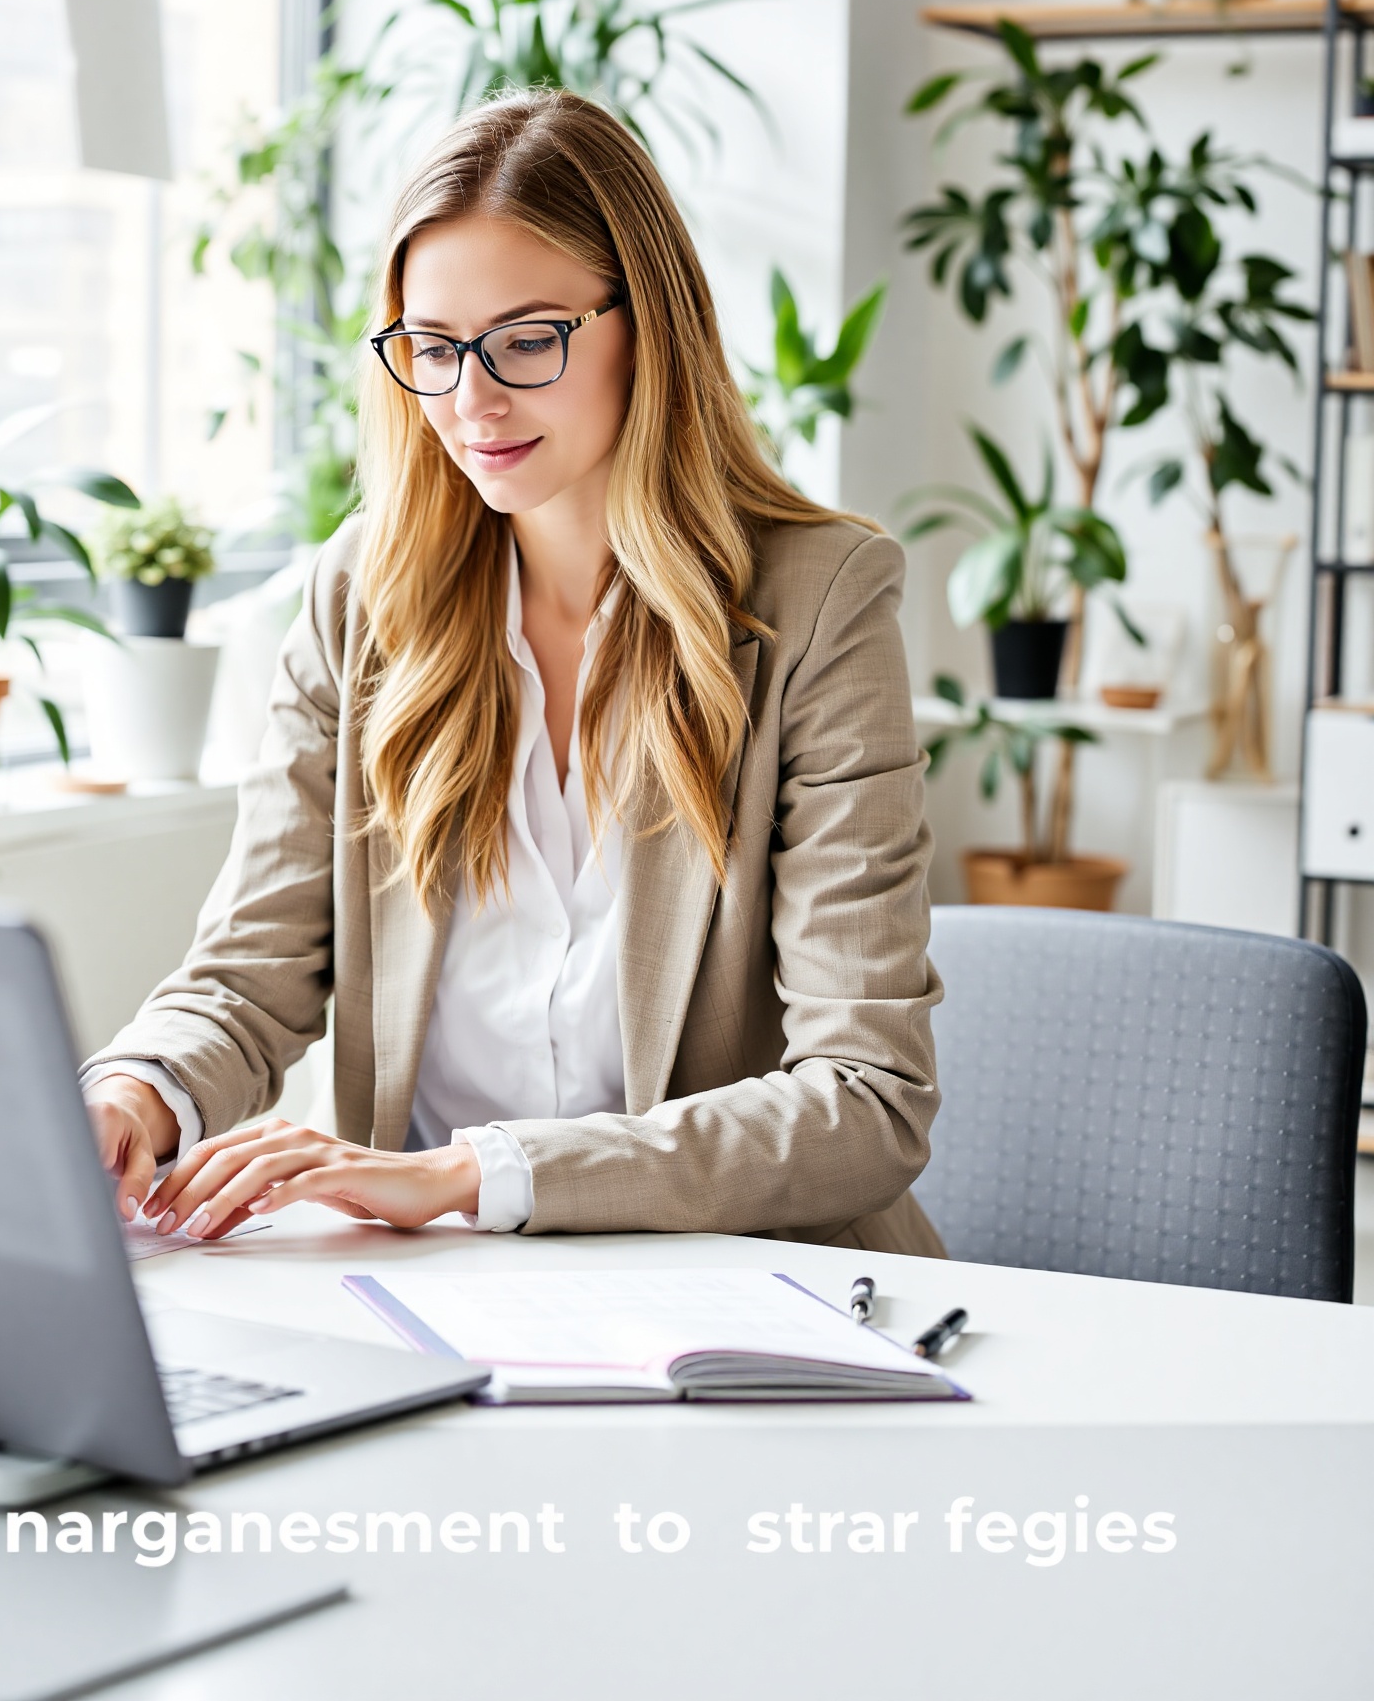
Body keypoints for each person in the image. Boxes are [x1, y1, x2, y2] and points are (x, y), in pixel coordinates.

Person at [82, 89, 943, 1250]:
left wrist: (469, 1175)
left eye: (525, 341)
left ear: (648, 323)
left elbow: (864, 1099)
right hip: (429, 1296)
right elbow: (247, 975)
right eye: (431, 350)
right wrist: (138, 1089)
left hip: (728, 1298)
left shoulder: (817, 602)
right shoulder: (363, 596)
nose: (470, 399)